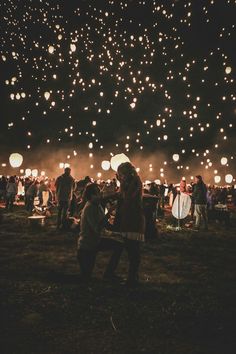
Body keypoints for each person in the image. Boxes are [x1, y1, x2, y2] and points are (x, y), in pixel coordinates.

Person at [77, 183, 123, 282]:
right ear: (91, 196)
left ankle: (109, 273)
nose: (101, 194)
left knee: (119, 246)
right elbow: (97, 228)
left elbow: (105, 224)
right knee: (85, 278)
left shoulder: (97, 206)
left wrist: (119, 231)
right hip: (87, 246)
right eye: (98, 193)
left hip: (95, 241)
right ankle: (108, 274)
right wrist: (109, 212)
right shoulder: (89, 208)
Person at [114, 162, 145, 287]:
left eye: (121, 174)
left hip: (133, 217)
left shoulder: (135, 181)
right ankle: (132, 277)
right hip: (128, 216)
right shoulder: (130, 182)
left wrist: (121, 183)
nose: (120, 177)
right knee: (131, 249)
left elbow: (128, 198)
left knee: (133, 250)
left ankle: (132, 279)